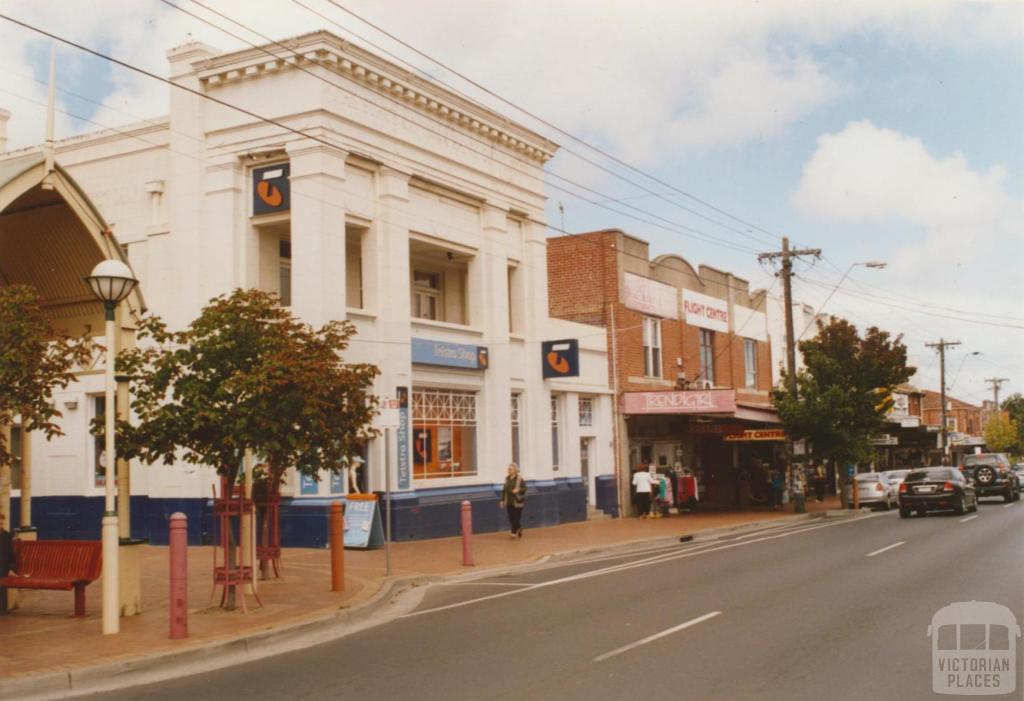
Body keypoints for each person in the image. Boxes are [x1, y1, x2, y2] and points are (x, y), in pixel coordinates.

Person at [500, 463, 527, 538]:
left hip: (518, 501)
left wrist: (518, 490)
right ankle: (519, 528)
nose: (508, 471)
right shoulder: (507, 479)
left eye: (510, 469)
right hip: (509, 501)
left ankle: (513, 532)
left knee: (516, 518)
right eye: (508, 469)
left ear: (515, 470)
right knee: (511, 518)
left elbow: (525, 489)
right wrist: (502, 500)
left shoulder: (519, 478)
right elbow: (504, 490)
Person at [0, 512, 15, 614]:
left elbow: (10, 554)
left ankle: (2, 608)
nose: (0, 526)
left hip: (3, 566)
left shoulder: (6, 535)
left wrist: (11, 568)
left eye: (1, 524)